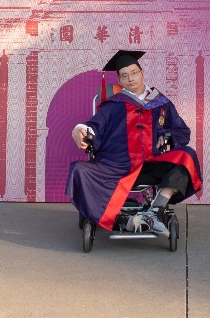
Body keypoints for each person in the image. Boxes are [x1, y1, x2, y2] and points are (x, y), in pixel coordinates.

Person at [65, 50, 202, 237]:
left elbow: (182, 131)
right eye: (124, 76)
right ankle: (123, 221)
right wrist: (79, 129)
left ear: (142, 73)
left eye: (134, 73)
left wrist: (167, 136)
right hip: (116, 164)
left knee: (187, 155)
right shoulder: (113, 105)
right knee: (79, 169)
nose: (130, 78)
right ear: (119, 81)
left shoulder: (160, 102)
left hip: (152, 164)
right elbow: (93, 126)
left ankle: (156, 209)